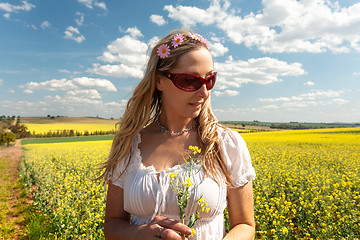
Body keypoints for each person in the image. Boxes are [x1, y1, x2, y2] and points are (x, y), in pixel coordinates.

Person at [101, 29, 256, 240]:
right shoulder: (129, 145)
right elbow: (112, 225)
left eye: (209, 80)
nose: (204, 92)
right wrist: (139, 234)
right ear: (159, 81)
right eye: (190, 81)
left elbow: (245, 225)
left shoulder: (225, 144)